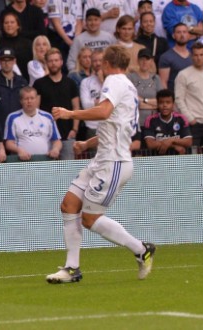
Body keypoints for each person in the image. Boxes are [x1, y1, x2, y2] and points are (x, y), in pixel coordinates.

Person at [48, 44, 156, 284]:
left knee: (89, 219)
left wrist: (70, 114)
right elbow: (115, 126)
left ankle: (141, 249)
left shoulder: (115, 82)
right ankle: (71, 268)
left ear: (106, 64)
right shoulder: (126, 85)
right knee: (68, 205)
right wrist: (87, 143)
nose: (99, 65)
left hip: (114, 163)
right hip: (103, 159)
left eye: (100, 62)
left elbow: (104, 112)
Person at [33, 47, 80, 160]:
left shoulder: (71, 83)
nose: (53, 63)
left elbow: (76, 108)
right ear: (46, 63)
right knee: (45, 171)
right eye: (50, 61)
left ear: (61, 62)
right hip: (46, 135)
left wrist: (74, 129)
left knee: (68, 171)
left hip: (67, 135)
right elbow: (36, 109)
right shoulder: (39, 83)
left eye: (56, 60)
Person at [4, 86, 61, 161]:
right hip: (22, 161)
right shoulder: (12, 117)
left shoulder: (48, 117)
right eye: (26, 98)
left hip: (45, 160)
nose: (29, 101)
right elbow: (9, 143)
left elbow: (57, 140)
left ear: (37, 99)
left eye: (32, 98)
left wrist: (56, 149)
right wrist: (19, 151)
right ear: (21, 101)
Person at [0, 47, 28, 131]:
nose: (7, 63)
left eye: (9, 60)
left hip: (20, 128)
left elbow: (27, 105)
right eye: (4, 60)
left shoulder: (22, 82)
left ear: (14, 61)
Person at [143, 89, 193, 155]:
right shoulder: (150, 120)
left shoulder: (181, 118)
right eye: (161, 103)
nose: (165, 105)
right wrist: (173, 146)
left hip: (178, 158)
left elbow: (188, 142)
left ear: (173, 104)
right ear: (157, 104)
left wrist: (171, 140)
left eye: (168, 102)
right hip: (157, 159)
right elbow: (150, 144)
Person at [66, 8, 115, 72]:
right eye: (90, 20)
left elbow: (116, 58)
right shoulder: (78, 39)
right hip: (85, 75)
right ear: (85, 22)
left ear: (100, 20)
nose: (93, 23)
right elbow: (71, 62)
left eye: (96, 20)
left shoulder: (109, 37)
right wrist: (78, 76)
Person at [128, 48, 163, 126]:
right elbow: (132, 101)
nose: (144, 62)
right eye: (142, 59)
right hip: (136, 122)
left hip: (154, 122)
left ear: (151, 61)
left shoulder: (156, 78)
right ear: (138, 61)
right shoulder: (130, 77)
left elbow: (161, 102)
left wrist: (143, 100)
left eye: (147, 59)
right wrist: (152, 104)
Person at [158, 23, 192, 91]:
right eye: (179, 32)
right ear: (173, 35)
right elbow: (163, 82)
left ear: (188, 35)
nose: (182, 35)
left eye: (184, 32)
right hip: (175, 97)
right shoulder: (166, 57)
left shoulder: (194, 56)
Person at [79, 49, 104, 139]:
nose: (98, 63)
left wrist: (102, 81)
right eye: (95, 61)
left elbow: (114, 101)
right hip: (92, 127)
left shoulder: (112, 80)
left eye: (100, 60)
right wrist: (103, 101)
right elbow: (85, 105)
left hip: (110, 126)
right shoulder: (85, 82)